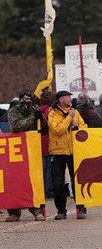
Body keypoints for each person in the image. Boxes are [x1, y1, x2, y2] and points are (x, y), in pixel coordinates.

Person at [5, 90, 47, 221]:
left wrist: (42, 118)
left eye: (29, 100)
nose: (26, 103)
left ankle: (36, 209)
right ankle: (14, 211)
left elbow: (44, 131)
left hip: (32, 150)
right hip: (16, 150)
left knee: (33, 180)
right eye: (24, 100)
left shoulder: (34, 110)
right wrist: (33, 117)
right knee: (14, 181)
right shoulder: (13, 111)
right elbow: (17, 126)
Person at [48, 91, 88, 220]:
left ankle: (81, 208)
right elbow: (57, 130)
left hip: (74, 151)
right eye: (67, 97)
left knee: (78, 180)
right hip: (58, 152)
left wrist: (78, 127)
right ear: (61, 100)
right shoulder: (53, 113)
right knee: (58, 182)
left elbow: (84, 128)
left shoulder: (75, 112)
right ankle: (61, 210)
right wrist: (69, 118)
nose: (70, 99)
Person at [38, 90, 56, 198]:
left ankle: (43, 189)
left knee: (43, 167)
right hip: (48, 142)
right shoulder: (50, 111)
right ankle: (49, 190)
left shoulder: (38, 110)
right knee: (49, 167)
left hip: (39, 142)